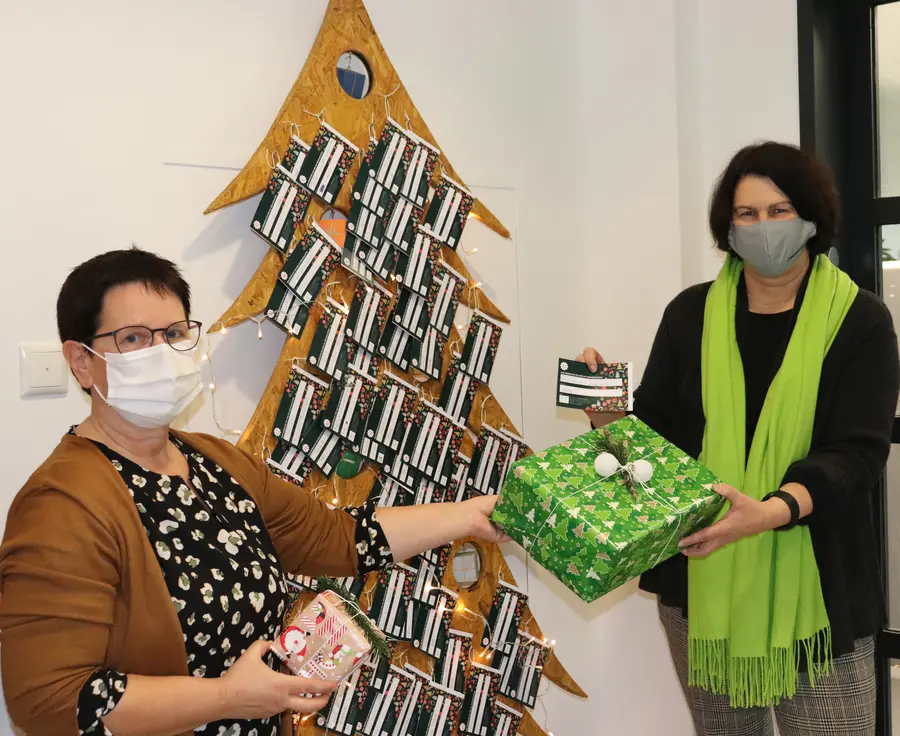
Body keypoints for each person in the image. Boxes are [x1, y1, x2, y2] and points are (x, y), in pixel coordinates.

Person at [0, 248, 508, 736]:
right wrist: (226, 697)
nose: (162, 354)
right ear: (81, 361)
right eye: (134, 339)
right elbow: (50, 700)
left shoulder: (213, 460)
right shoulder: (62, 502)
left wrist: (468, 516)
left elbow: (339, 538)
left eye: (175, 333)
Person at [579, 142, 899, 736]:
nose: (763, 227)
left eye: (779, 211)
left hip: (821, 594)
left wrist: (772, 511)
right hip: (702, 589)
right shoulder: (689, 315)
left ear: (811, 218)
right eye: (746, 214)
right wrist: (605, 413)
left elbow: (857, 453)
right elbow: (652, 447)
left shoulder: (861, 321)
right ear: (727, 226)